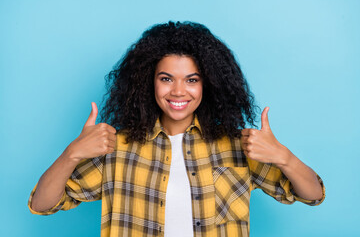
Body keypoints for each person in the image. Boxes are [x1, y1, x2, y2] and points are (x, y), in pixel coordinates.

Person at [28, 21, 325, 237]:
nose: (179, 91)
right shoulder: (117, 147)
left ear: (209, 85)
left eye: (192, 80)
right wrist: (72, 153)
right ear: (149, 82)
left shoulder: (238, 145)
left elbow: (313, 194)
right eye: (167, 79)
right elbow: (42, 204)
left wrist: (283, 156)